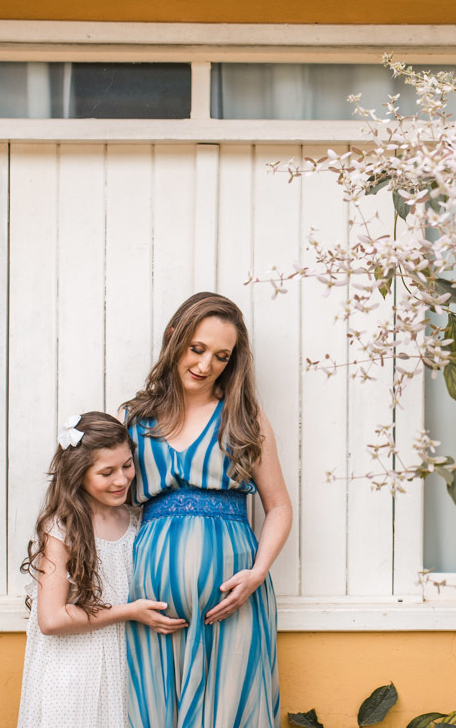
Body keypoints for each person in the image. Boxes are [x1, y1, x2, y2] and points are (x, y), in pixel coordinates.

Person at [122, 292, 291, 728]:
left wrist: (257, 574)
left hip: (232, 599)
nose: (205, 365)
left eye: (221, 356)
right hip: (155, 607)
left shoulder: (244, 417)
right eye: (197, 349)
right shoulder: (137, 421)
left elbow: (278, 507)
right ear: (173, 338)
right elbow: (109, 507)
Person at [18, 411, 188, 728]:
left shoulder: (138, 520)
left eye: (127, 465)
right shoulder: (61, 528)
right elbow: (52, 620)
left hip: (124, 665)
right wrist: (129, 611)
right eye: (107, 472)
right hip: (73, 671)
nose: (122, 479)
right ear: (78, 474)